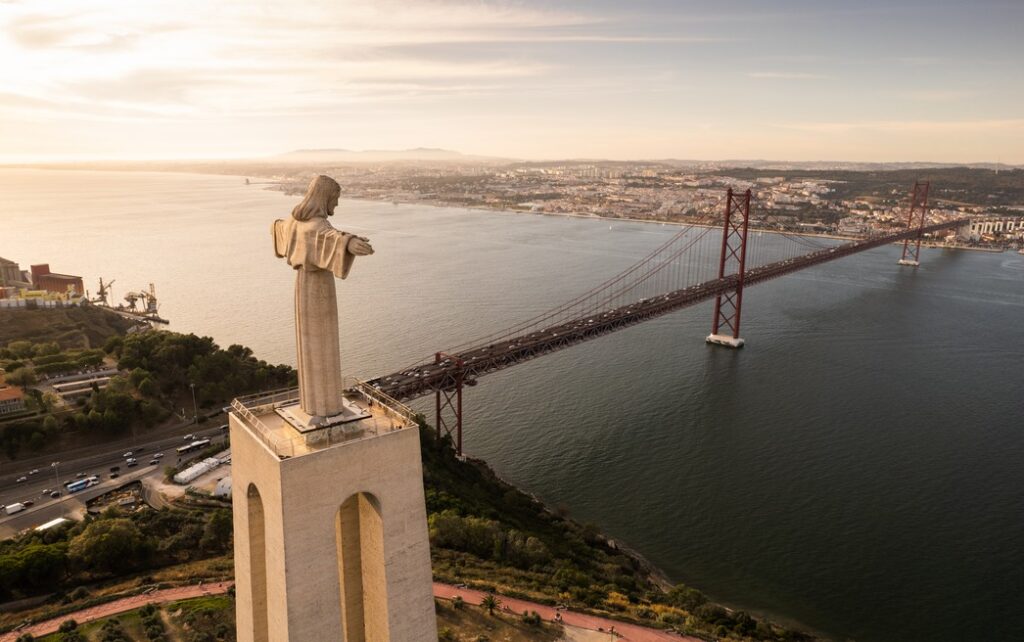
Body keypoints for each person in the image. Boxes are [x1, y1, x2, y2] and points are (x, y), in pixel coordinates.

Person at [273, 175, 374, 423]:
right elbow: (328, 238)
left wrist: (347, 239)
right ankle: (326, 410)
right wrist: (350, 243)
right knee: (324, 341)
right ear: (325, 197)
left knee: (311, 343)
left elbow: (280, 227)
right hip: (320, 291)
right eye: (335, 199)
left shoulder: (295, 221)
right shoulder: (317, 226)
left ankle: (313, 408)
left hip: (302, 286)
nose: (336, 205)